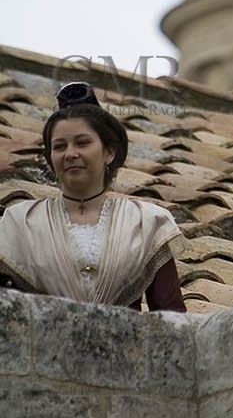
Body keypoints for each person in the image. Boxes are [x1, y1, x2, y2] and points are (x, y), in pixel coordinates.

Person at [0, 83, 185, 311]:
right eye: (59, 146)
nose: (70, 154)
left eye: (82, 142)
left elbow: (171, 317)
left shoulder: (146, 223)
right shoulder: (20, 223)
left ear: (109, 152)